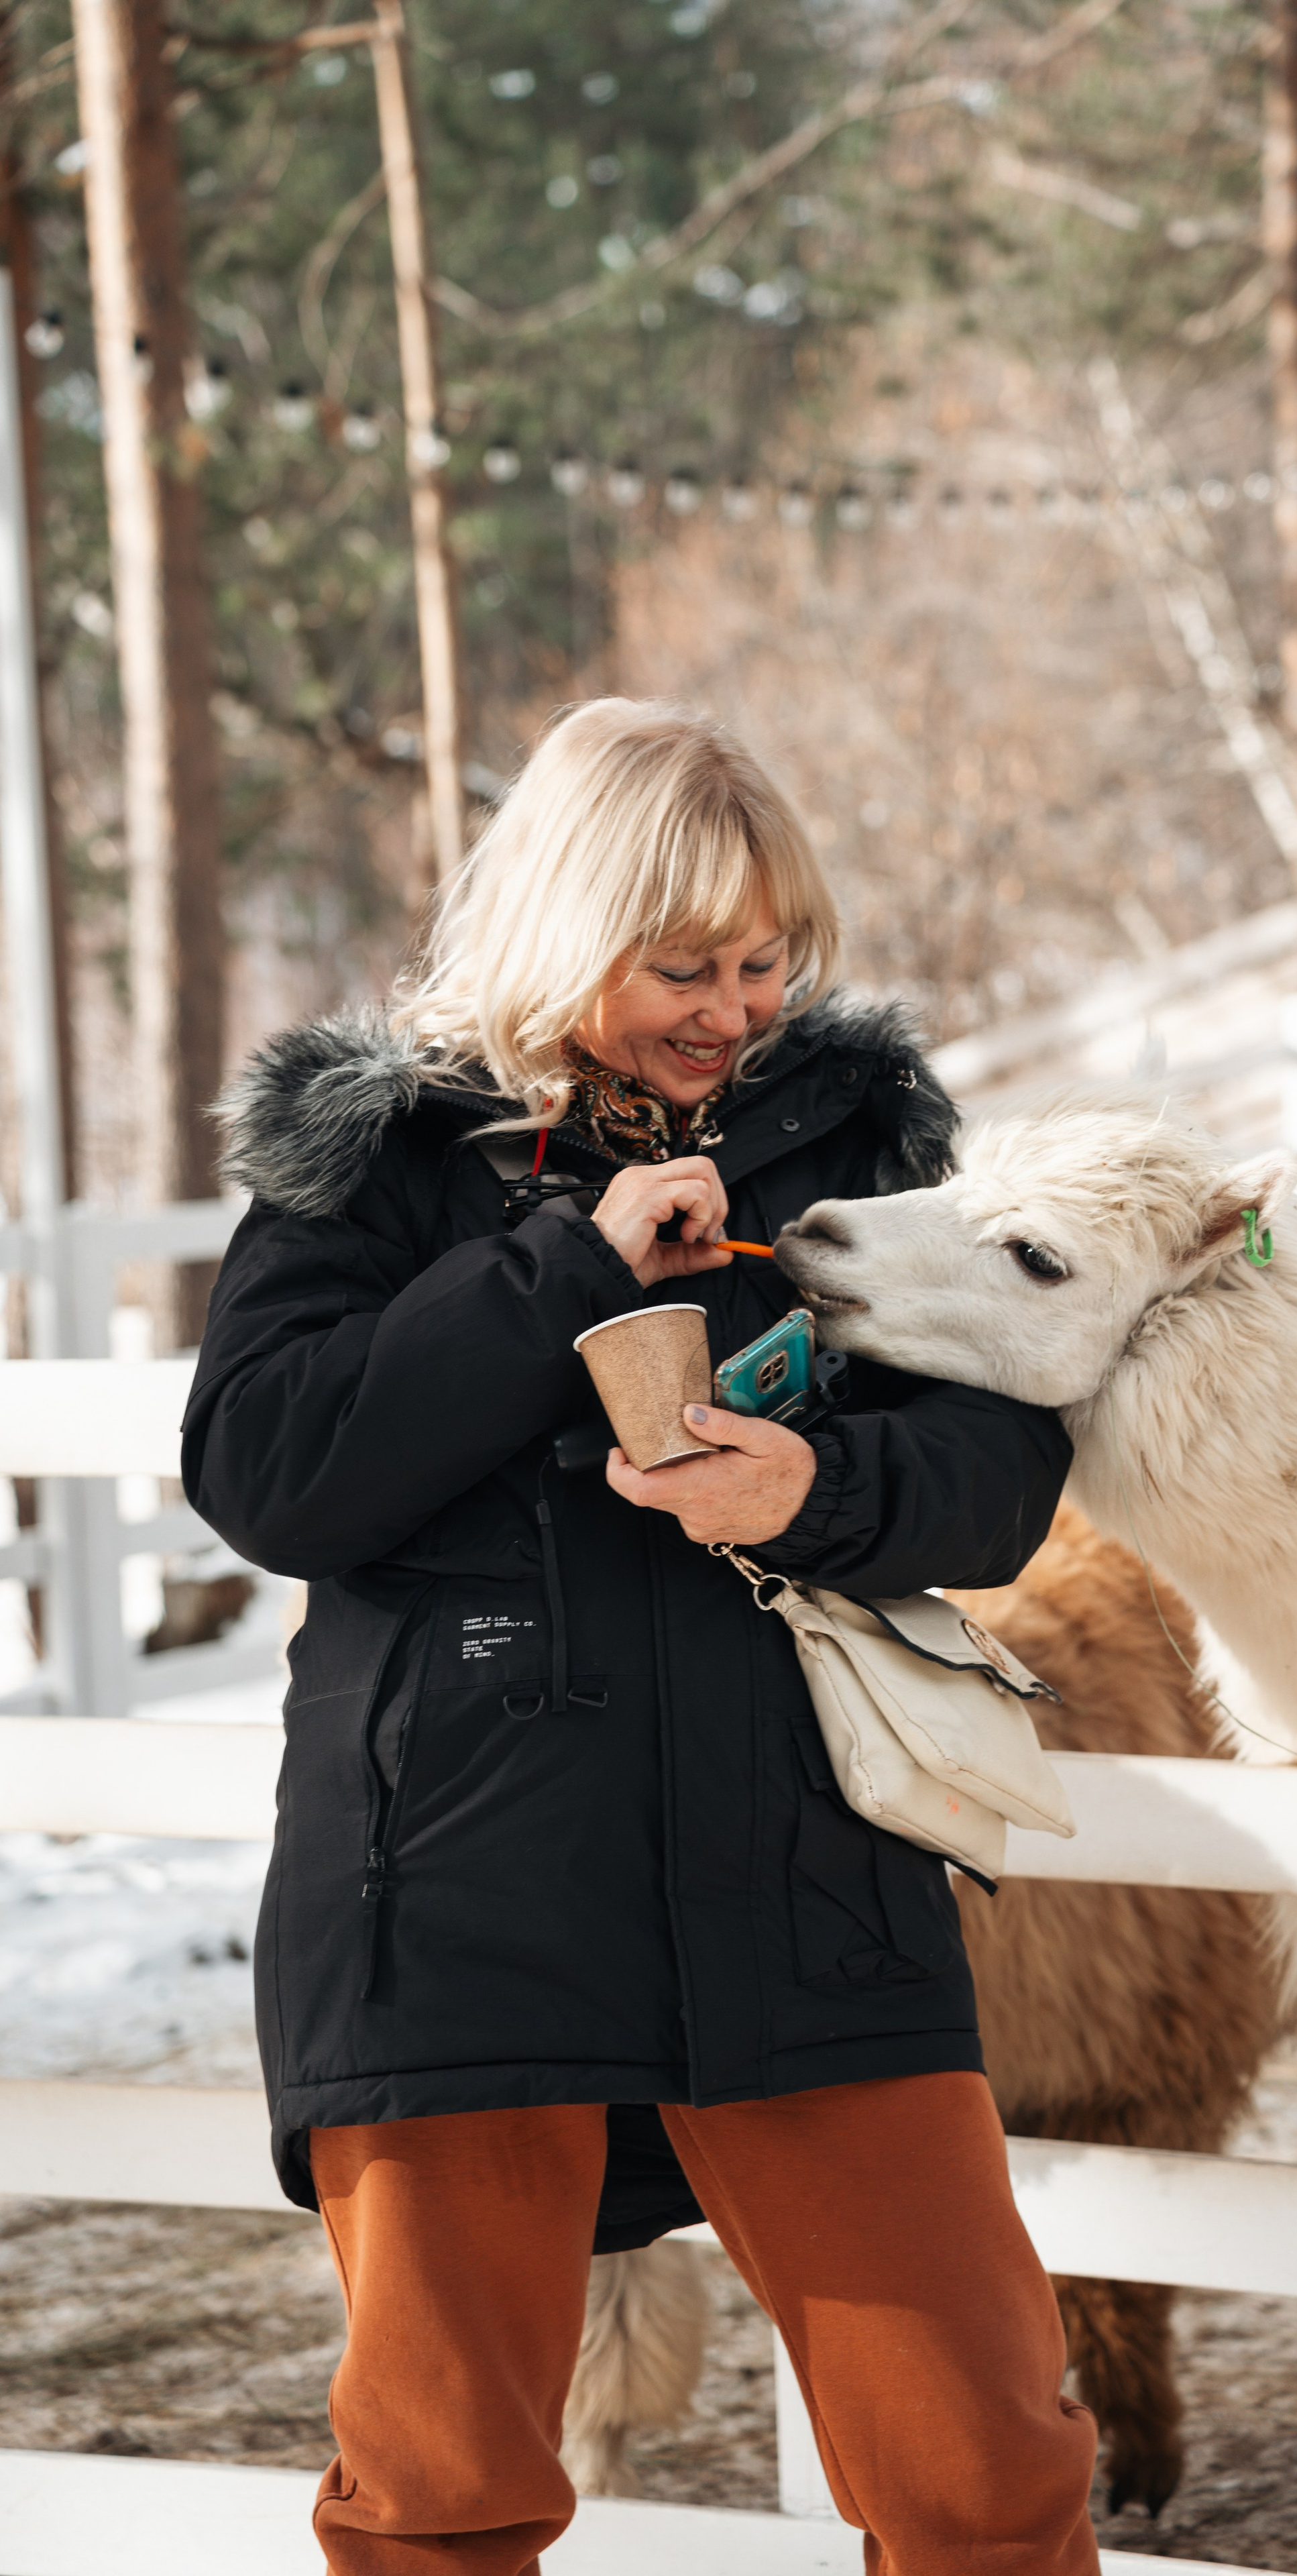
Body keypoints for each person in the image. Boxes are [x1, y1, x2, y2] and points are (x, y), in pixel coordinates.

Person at [184, 697, 1099, 2576]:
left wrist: (815, 1489)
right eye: (683, 965)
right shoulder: (380, 1153)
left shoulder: (856, 1149)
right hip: (453, 1900)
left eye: (767, 962)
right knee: (442, 2504)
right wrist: (565, 1268)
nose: (732, 1010)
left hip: (813, 1889)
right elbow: (269, 1472)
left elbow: (1003, 1465)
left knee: (988, 2479)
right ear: (564, 929)